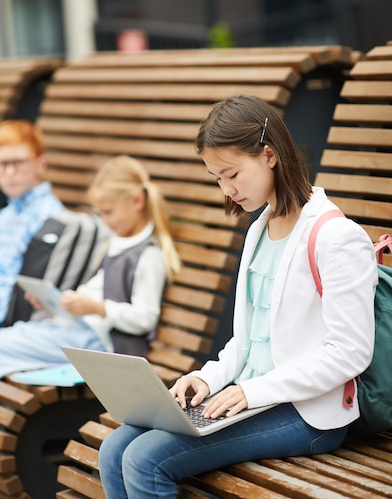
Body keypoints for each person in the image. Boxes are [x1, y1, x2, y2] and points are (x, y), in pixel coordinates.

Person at [98, 95, 378, 499]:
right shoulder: (259, 229)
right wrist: (204, 378)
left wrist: (251, 392)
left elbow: (350, 352)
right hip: (247, 398)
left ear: (269, 155)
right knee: (113, 450)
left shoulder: (336, 237)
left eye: (231, 174)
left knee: (145, 460)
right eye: (217, 178)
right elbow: (247, 343)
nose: (227, 189)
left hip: (306, 413)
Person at [0, 154, 180, 397]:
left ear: (137, 201)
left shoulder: (148, 255)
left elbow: (145, 317)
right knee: (2, 339)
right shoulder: (118, 244)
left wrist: (98, 308)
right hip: (78, 332)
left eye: (108, 212)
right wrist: (57, 302)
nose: (104, 221)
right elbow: (92, 292)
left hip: (100, 345)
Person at [0, 120, 65, 335]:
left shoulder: (49, 217)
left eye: (19, 163)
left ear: (40, 164)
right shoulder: (6, 214)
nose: (10, 172)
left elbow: (25, 289)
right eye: (2, 164)